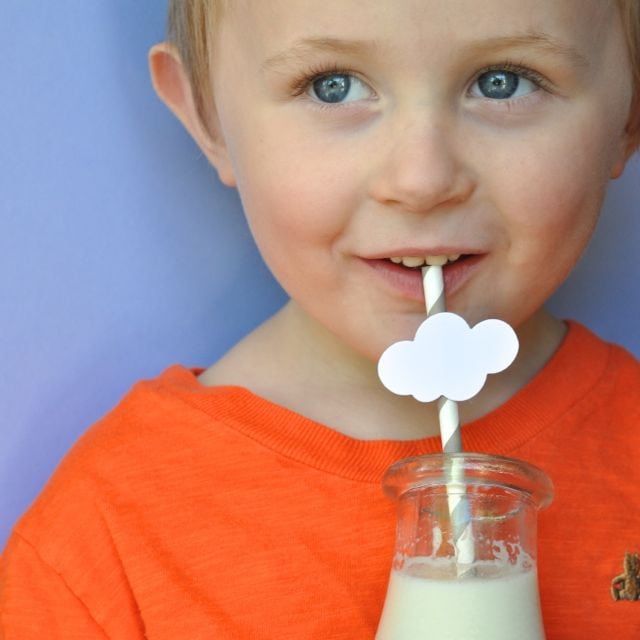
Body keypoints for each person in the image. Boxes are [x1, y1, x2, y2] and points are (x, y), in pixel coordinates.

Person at [1, 0, 639, 637]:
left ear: (630, 110)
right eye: (331, 87)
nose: (421, 179)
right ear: (207, 118)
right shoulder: (102, 546)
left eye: (503, 81)